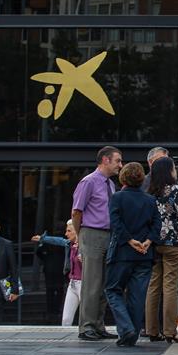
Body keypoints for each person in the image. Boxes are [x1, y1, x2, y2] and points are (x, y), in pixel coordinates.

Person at [104, 162, 161, 347]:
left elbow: (115, 223)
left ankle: (126, 328)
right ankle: (132, 334)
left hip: (122, 253)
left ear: (123, 178)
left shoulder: (117, 198)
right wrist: (148, 241)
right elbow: (157, 224)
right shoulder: (150, 200)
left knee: (113, 290)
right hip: (144, 253)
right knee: (137, 296)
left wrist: (129, 240)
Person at [71, 146, 123, 341]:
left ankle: (98, 325)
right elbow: (76, 211)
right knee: (91, 283)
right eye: (117, 161)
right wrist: (80, 235)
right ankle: (86, 327)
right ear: (105, 160)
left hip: (107, 235)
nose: (120, 165)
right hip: (92, 233)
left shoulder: (110, 185)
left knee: (103, 284)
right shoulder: (89, 182)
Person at [145, 156, 178, 344]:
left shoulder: (149, 192)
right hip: (174, 242)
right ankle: (170, 331)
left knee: (153, 286)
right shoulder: (176, 190)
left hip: (154, 242)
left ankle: (151, 329)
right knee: (170, 286)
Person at [32, 220, 82, 326]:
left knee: (89, 315)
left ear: (77, 231)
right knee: (66, 320)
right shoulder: (69, 244)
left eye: (69, 231)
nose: (66, 234)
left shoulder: (85, 246)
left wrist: (86, 259)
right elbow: (58, 241)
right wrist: (43, 238)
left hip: (84, 284)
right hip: (73, 283)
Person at [35, 223, 66, 322]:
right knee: (59, 290)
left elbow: (39, 251)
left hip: (49, 269)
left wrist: (46, 260)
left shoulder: (49, 240)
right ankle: (56, 311)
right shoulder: (64, 240)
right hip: (60, 268)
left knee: (50, 291)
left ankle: (50, 312)